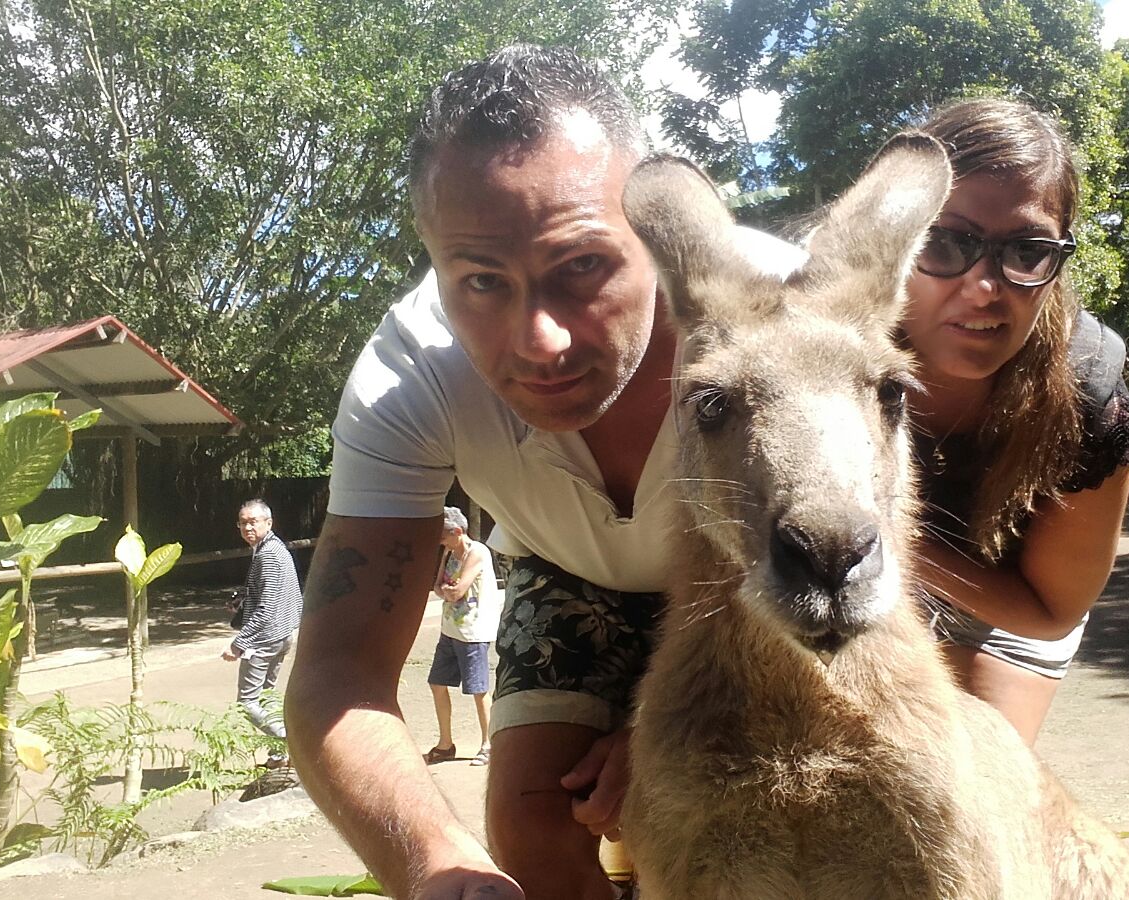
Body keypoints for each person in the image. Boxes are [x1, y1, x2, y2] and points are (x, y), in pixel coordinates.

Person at [285, 44, 800, 900]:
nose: (541, 343)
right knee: (529, 823)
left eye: (584, 267)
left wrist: (685, 725)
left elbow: (871, 565)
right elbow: (337, 678)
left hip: (754, 574)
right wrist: (435, 869)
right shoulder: (409, 377)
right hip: (564, 570)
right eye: (483, 281)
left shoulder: (777, 315)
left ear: (657, 239)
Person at [902, 98, 1129, 744]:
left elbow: (1049, 610)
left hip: (1007, 598)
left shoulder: (1091, 402)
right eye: (948, 242)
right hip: (857, 572)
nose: (984, 286)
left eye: (1026, 252)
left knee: (975, 776)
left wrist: (891, 541)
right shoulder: (829, 341)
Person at [223, 499, 304, 766]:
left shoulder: (268, 555)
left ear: (268, 523)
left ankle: (284, 740)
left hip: (266, 639)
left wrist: (239, 643)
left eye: (253, 521)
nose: (248, 527)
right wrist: (243, 599)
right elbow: (279, 595)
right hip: (282, 635)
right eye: (243, 522)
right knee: (267, 697)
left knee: (247, 703)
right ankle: (279, 755)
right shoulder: (273, 548)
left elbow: (268, 607)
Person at [423, 506, 500, 767]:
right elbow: (438, 587)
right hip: (450, 629)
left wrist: (448, 590)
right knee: (437, 683)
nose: (439, 540)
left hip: (473, 632)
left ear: (457, 531)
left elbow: (458, 591)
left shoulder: (477, 552)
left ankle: (488, 744)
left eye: (443, 535)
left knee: (478, 690)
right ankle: (445, 745)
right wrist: (447, 590)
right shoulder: (449, 551)